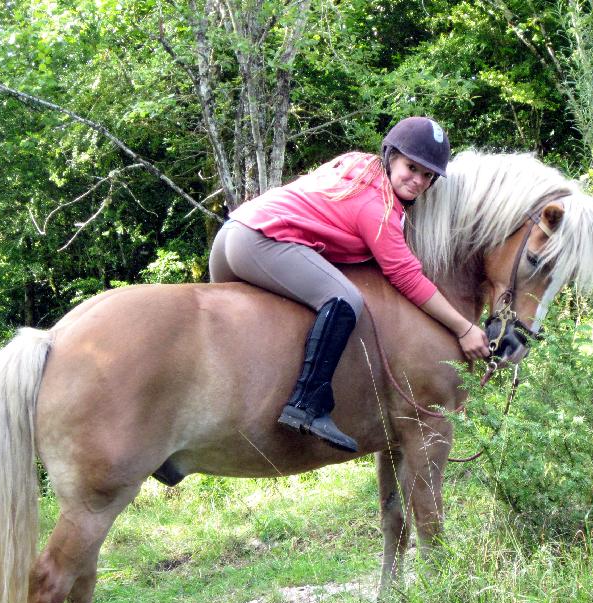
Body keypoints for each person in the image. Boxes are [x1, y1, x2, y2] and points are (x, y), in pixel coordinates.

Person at [209, 116, 489, 453]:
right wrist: (463, 327)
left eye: (428, 176)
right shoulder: (380, 209)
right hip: (259, 241)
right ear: (391, 156)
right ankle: (307, 404)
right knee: (344, 298)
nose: (418, 181)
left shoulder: (359, 166)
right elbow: (406, 276)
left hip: (232, 234)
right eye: (411, 168)